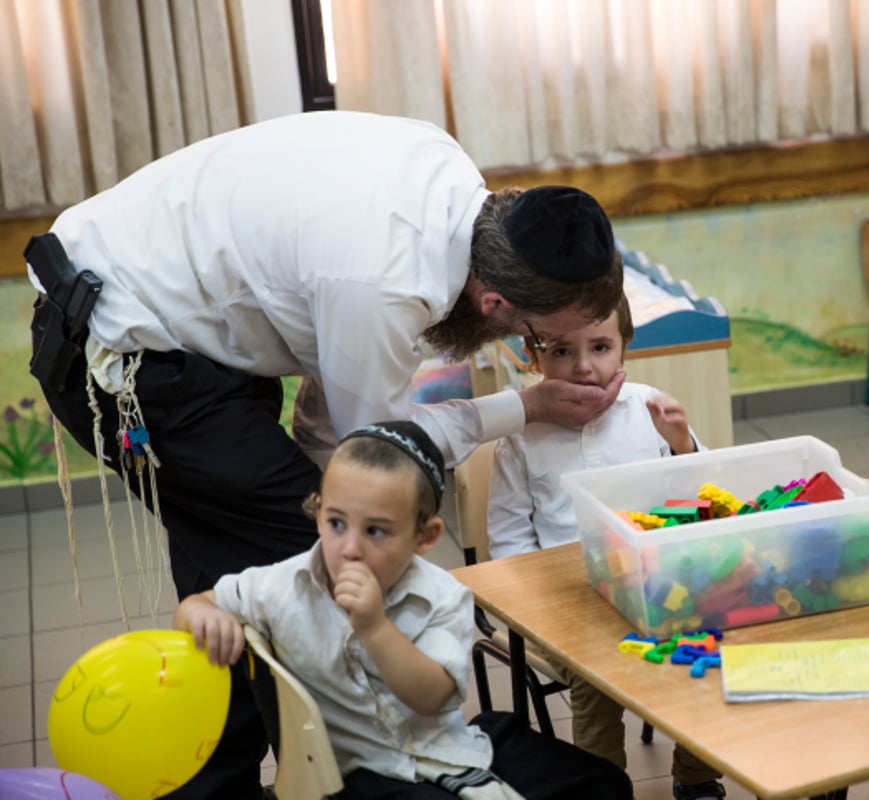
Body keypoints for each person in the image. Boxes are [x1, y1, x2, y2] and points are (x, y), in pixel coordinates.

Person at [26, 111, 625, 799]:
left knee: (242, 558)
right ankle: (356, 784)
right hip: (125, 355)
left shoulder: (447, 173)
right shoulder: (386, 281)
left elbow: (326, 419)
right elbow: (374, 451)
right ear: (494, 300)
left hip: (182, 328)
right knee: (316, 564)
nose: (542, 358)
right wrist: (527, 407)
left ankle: (224, 782)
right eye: (534, 338)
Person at [175, 420, 634, 800]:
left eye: (377, 531)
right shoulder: (282, 584)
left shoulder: (441, 595)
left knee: (606, 783)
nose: (349, 548)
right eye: (336, 523)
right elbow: (198, 605)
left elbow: (432, 696)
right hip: (349, 778)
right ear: (316, 513)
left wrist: (374, 627)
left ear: (426, 537)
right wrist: (202, 613)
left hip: (443, 748)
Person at [486, 296, 725, 800]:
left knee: (706, 651)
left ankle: (698, 780)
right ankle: (599, 790)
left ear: (624, 348)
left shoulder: (647, 408)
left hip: (659, 586)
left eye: (599, 347)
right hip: (569, 603)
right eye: (561, 351)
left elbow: (706, 504)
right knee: (596, 680)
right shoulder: (521, 433)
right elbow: (507, 539)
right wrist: (541, 605)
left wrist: (682, 444)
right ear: (532, 355)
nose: (583, 366)